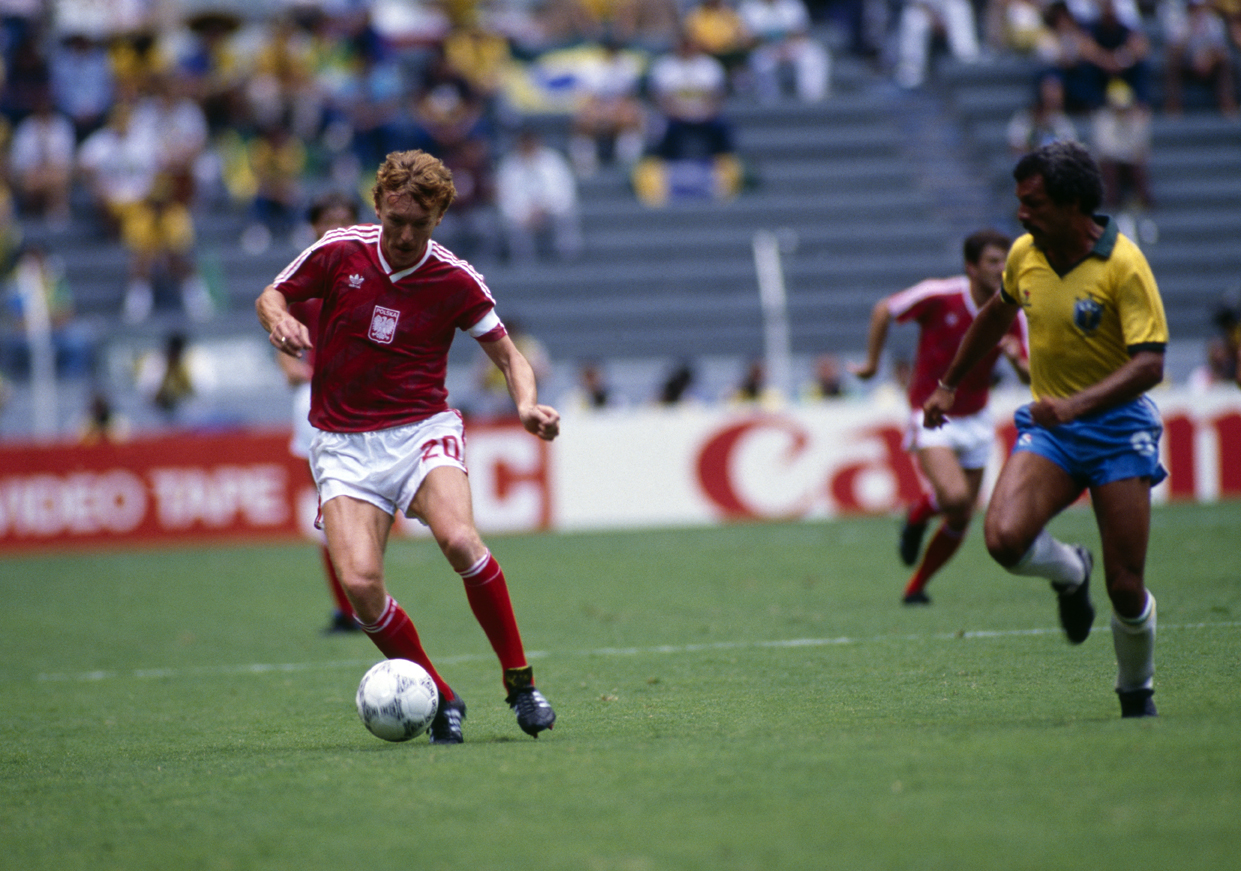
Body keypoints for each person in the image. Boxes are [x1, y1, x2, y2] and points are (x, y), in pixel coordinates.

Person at [255, 149, 559, 742]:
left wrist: (525, 403)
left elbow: (509, 355)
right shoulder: (338, 250)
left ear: (438, 219)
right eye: (395, 222)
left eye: (419, 226)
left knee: (460, 540)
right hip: (341, 442)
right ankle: (442, 697)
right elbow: (272, 293)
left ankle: (521, 683)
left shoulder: (453, 277)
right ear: (378, 207)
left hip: (422, 429)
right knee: (362, 587)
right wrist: (280, 319)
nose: (404, 236)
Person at [923, 141, 1167, 718]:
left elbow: (1151, 363)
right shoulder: (1025, 255)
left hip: (1117, 431)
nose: (1021, 214)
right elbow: (996, 315)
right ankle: (1069, 570)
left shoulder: (1123, 264)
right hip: (1055, 429)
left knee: (1127, 587)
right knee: (1003, 539)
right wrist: (949, 383)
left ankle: (1136, 695)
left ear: (1073, 204)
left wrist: (1078, 405)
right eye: (1019, 201)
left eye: (1033, 203)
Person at [851, 229, 1029, 605]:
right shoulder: (941, 295)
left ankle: (916, 587)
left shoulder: (1013, 309)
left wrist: (1018, 360)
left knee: (962, 516)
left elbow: (1033, 375)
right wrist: (871, 364)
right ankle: (918, 514)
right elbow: (885, 309)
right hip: (929, 410)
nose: (1001, 270)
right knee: (955, 498)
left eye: (1005, 262)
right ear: (970, 267)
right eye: (992, 262)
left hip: (977, 417)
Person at [277, 191, 362, 634]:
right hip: (315, 397)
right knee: (330, 506)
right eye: (328, 220)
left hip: (363, 394)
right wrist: (293, 364)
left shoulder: (370, 268)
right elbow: (279, 319)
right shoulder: (305, 273)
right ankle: (346, 606)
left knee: (364, 504)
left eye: (344, 219)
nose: (336, 227)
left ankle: (363, 595)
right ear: (313, 226)